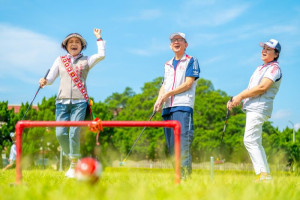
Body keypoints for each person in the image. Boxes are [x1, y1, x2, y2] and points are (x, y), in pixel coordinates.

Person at [39, 28, 106, 178]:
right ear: (66, 46)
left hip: (80, 102)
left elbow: (101, 55)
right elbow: (50, 78)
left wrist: (99, 38)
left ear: (82, 46)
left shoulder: (87, 60)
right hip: (61, 102)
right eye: (71, 42)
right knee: (60, 133)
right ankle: (73, 157)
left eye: (77, 42)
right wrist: (44, 81)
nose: (74, 44)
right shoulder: (60, 60)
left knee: (74, 132)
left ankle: (74, 164)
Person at [227, 39, 282, 181]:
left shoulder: (274, 68)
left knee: (250, 140)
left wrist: (240, 96)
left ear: (276, 54)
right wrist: (236, 98)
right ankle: (266, 175)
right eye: (263, 48)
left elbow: (262, 88)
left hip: (259, 108)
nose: (264, 50)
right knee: (255, 142)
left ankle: (263, 175)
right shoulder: (260, 68)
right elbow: (251, 89)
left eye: (268, 49)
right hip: (252, 107)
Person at [154, 32, 200, 179]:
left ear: (186, 45)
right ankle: (177, 178)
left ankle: (185, 179)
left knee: (183, 146)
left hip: (182, 107)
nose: (176, 42)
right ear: (170, 45)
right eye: (174, 40)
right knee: (172, 147)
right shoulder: (167, 64)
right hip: (167, 108)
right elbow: (164, 85)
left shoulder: (191, 60)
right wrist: (159, 99)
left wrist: (169, 94)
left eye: (180, 40)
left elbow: (188, 83)